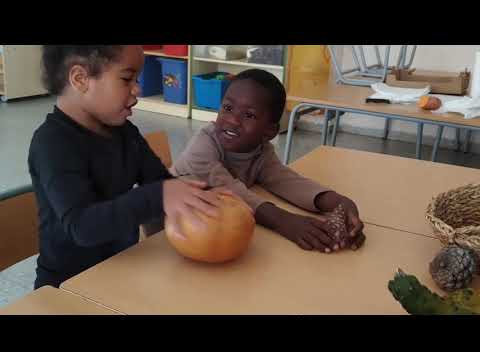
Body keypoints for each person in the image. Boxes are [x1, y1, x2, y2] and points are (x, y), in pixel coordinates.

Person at [28, 45, 225, 289]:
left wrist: (198, 195)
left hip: (120, 270)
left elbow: (158, 182)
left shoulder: (125, 133)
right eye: (126, 78)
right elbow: (82, 227)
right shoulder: (52, 144)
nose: (137, 90)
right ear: (80, 79)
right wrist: (160, 195)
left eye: (137, 79)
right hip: (67, 286)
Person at [171, 69, 365, 253]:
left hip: (214, 228)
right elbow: (229, 190)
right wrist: (284, 221)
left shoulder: (261, 151)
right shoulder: (203, 145)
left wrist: (336, 201)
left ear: (269, 132)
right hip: (170, 230)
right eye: (228, 108)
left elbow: (284, 180)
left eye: (249, 115)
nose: (232, 120)